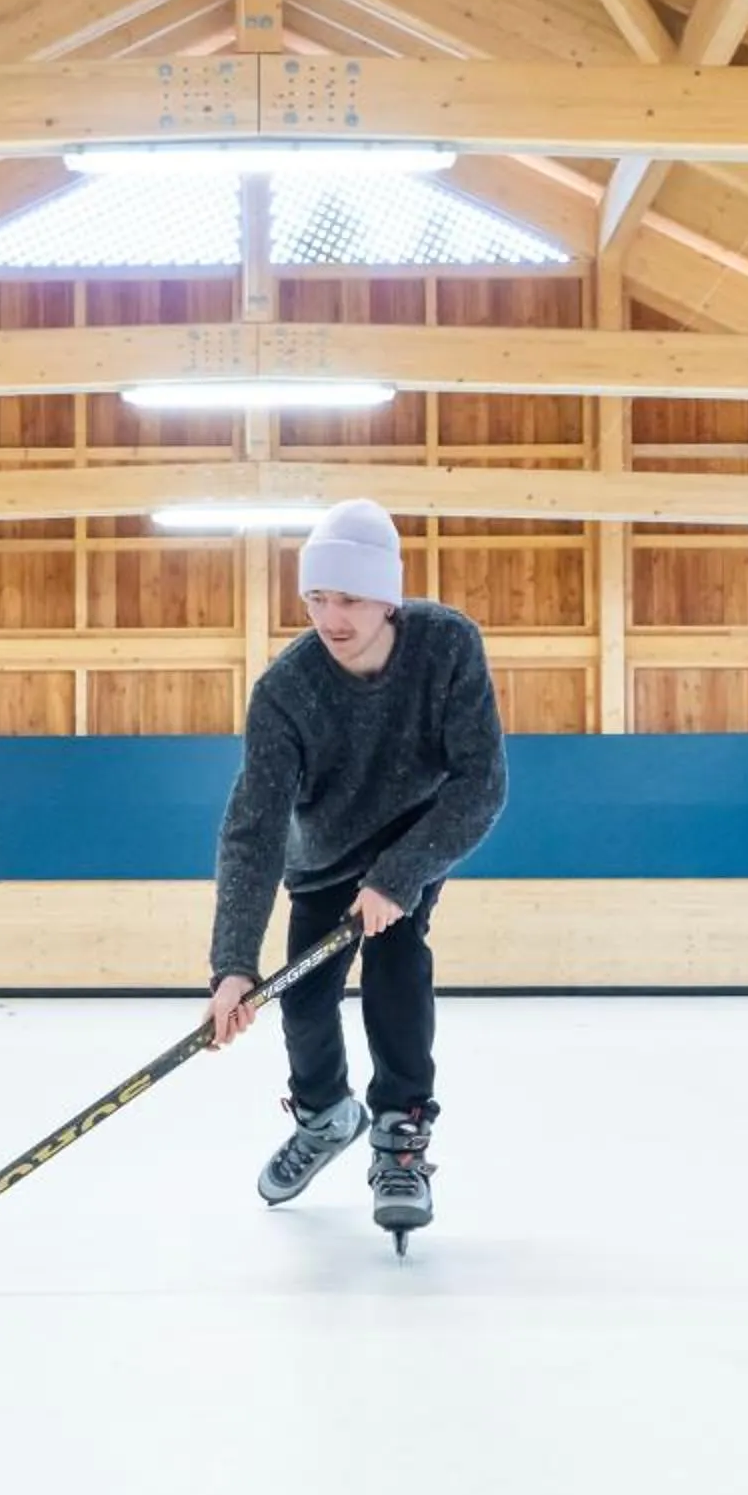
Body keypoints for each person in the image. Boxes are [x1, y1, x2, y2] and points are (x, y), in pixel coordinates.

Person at [204, 498, 509, 1240]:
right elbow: (254, 830)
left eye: (350, 599)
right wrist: (232, 965)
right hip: (325, 854)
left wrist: (401, 876)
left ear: (388, 597)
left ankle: (401, 1137)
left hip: (413, 835)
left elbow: (482, 782)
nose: (331, 617)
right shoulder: (286, 691)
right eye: (317, 598)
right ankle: (325, 1114)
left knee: (396, 964)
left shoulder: (446, 646)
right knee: (303, 1000)